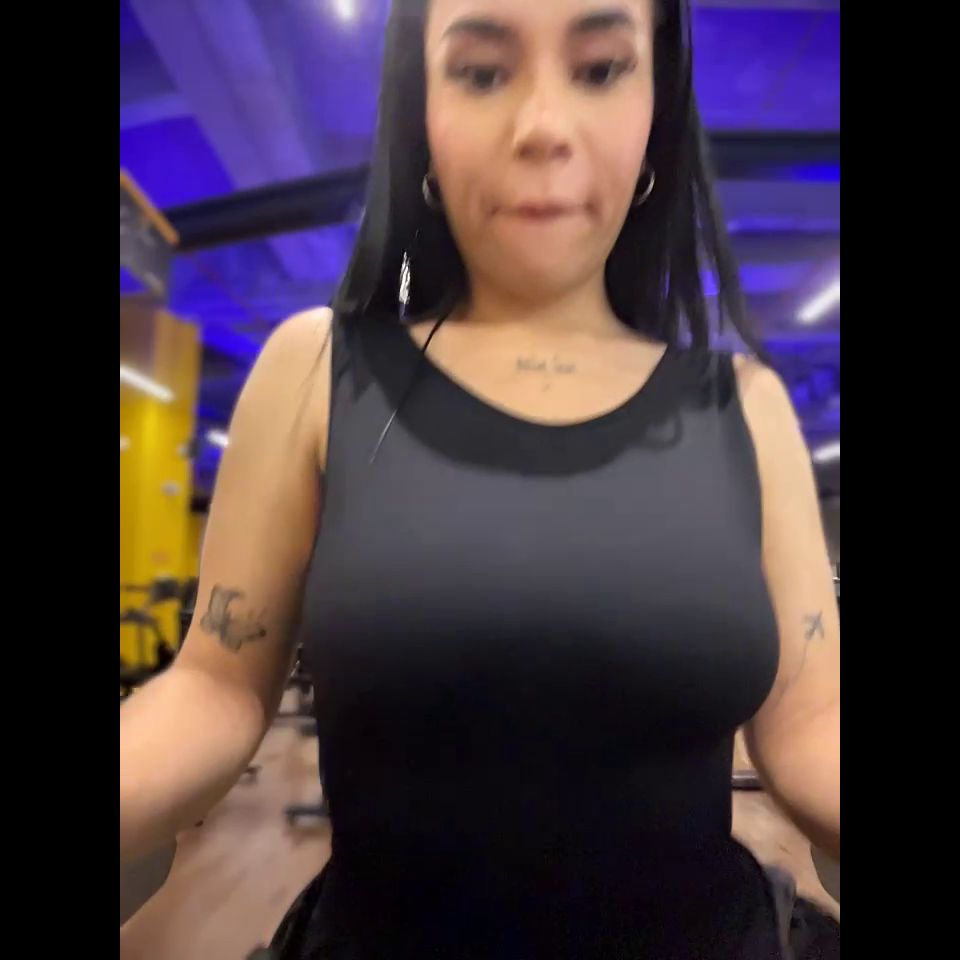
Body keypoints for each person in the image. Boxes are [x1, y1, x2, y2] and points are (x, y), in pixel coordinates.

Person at [119, 0, 840, 957]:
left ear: (656, 105)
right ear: (421, 109)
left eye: (599, 69)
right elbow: (217, 688)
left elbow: (812, 722)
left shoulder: (745, 406)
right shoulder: (317, 373)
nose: (543, 126)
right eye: (481, 71)